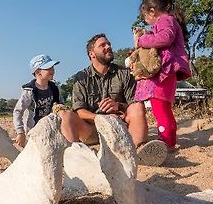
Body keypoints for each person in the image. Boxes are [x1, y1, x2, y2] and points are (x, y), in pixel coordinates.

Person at [71, 33, 168, 166]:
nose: (108, 47)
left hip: (121, 128)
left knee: (138, 106)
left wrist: (118, 106)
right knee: (67, 115)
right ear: (92, 54)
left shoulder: (125, 73)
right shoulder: (80, 77)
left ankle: (139, 150)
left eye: (109, 44)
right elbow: (79, 111)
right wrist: (100, 119)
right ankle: (74, 157)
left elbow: (133, 103)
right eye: (103, 45)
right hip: (93, 130)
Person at [133, 0, 191, 149]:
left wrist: (143, 40)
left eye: (145, 17)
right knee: (164, 109)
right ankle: (169, 141)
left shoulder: (165, 20)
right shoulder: (170, 21)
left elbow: (165, 38)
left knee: (160, 109)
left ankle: (164, 143)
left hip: (163, 73)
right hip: (168, 73)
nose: (146, 21)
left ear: (152, 11)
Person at [13, 54, 91, 147]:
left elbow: (61, 105)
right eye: (48, 68)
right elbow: (18, 111)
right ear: (38, 72)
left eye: (53, 68)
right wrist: (20, 132)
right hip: (34, 132)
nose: (53, 71)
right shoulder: (29, 91)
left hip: (51, 129)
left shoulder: (54, 87)